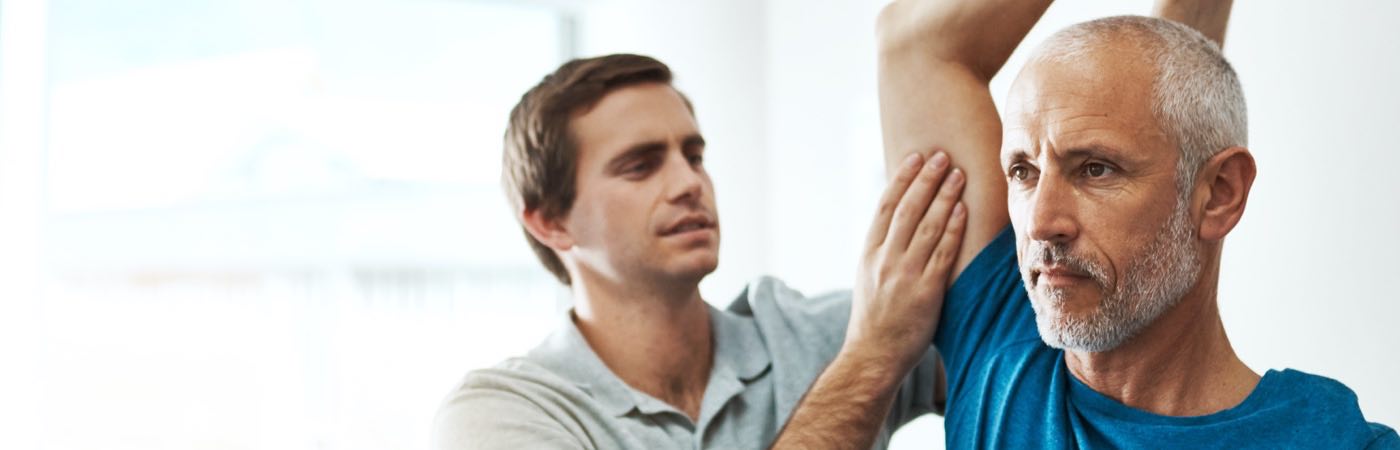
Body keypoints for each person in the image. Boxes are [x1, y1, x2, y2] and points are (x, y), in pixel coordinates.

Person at [806, 0, 1395, 447]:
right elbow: (915, 43)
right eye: (1022, 171)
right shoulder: (1000, 340)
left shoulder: (1328, 439)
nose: (1040, 224)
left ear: (1219, 195)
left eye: (1094, 169)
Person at [431, 54, 968, 449]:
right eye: (641, 165)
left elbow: (1013, 348)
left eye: (693, 155)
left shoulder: (822, 334)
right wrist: (871, 360)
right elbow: (874, 346)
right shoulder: (502, 414)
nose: (689, 182)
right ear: (550, 221)